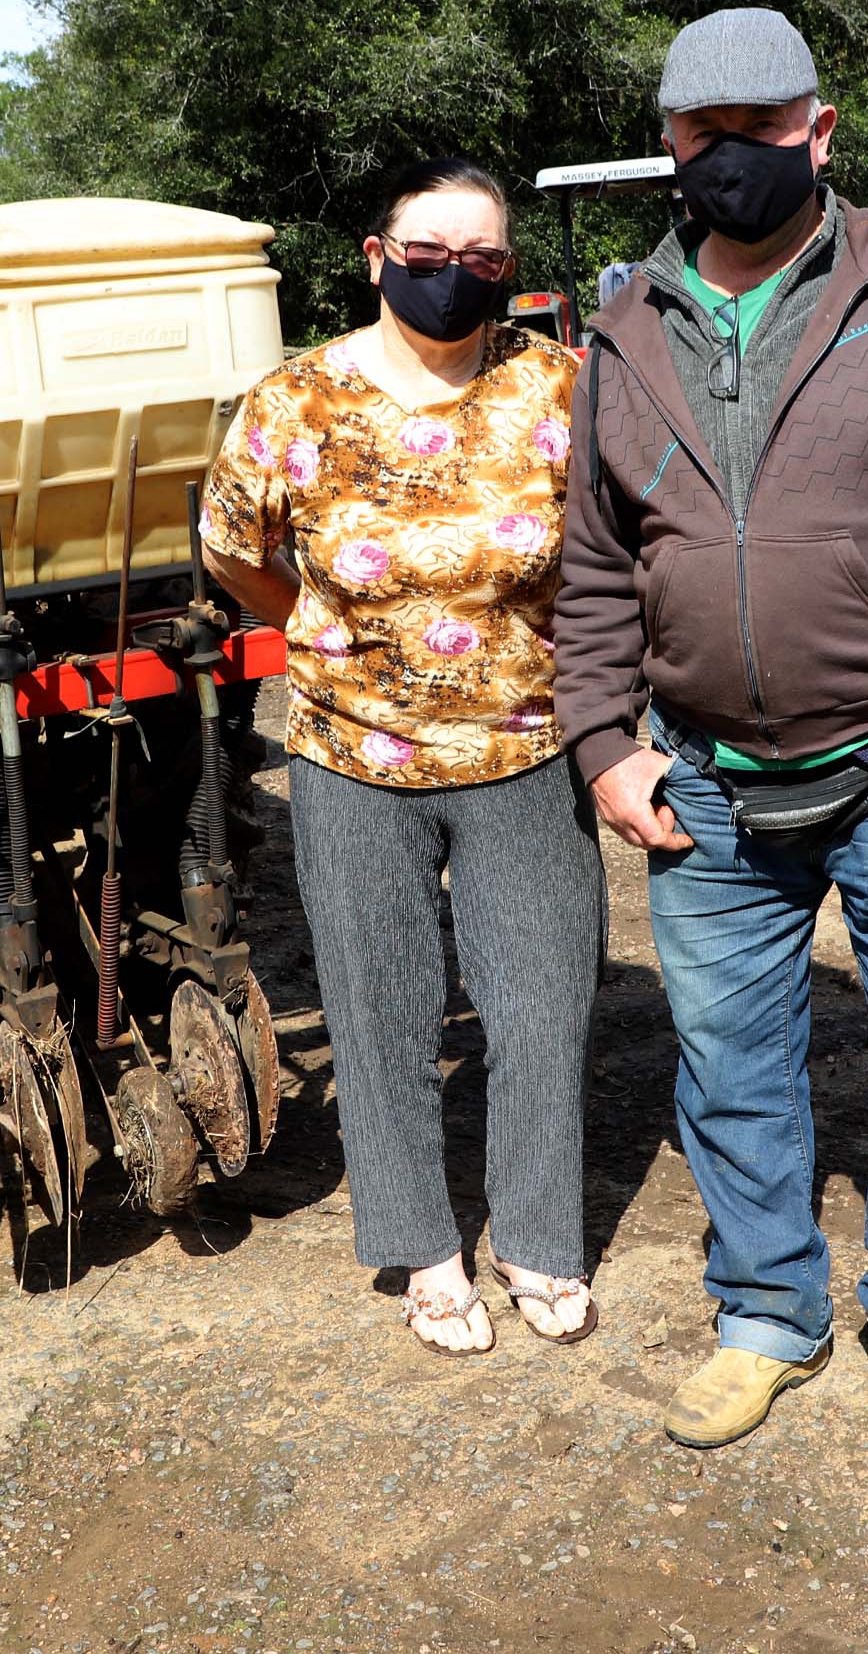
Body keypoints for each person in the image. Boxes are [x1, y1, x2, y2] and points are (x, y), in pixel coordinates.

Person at [553, 8, 868, 1481]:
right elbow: (594, 564)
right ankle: (770, 1316)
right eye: (704, 136)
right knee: (730, 1069)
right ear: (671, 143)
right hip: (703, 782)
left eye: (762, 131)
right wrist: (604, 740)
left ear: (821, 132)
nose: (732, 161)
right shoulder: (627, 321)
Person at [199, 157, 605, 1357]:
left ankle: (537, 1233)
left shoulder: (559, 386)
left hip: (527, 748)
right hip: (351, 757)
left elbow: (611, 558)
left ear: (508, 272)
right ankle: (426, 1249)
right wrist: (333, 636)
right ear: (377, 256)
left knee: (543, 1008)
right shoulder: (296, 401)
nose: (454, 276)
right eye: (428, 253)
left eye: (482, 258)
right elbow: (236, 552)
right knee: (381, 1012)